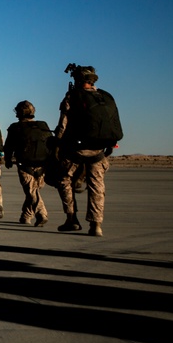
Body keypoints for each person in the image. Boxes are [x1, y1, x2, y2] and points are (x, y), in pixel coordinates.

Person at [54, 64, 123, 236]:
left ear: (78, 80)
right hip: (99, 151)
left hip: (76, 150)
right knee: (97, 188)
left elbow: (63, 124)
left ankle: (71, 219)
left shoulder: (72, 96)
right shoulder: (105, 97)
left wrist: (57, 144)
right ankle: (96, 225)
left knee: (64, 180)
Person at [3, 100, 52, 226]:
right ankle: (26, 216)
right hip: (43, 165)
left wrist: (7, 159)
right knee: (33, 191)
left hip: (25, 165)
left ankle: (41, 213)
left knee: (31, 192)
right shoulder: (43, 125)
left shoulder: (15, 128)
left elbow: (8, 147)